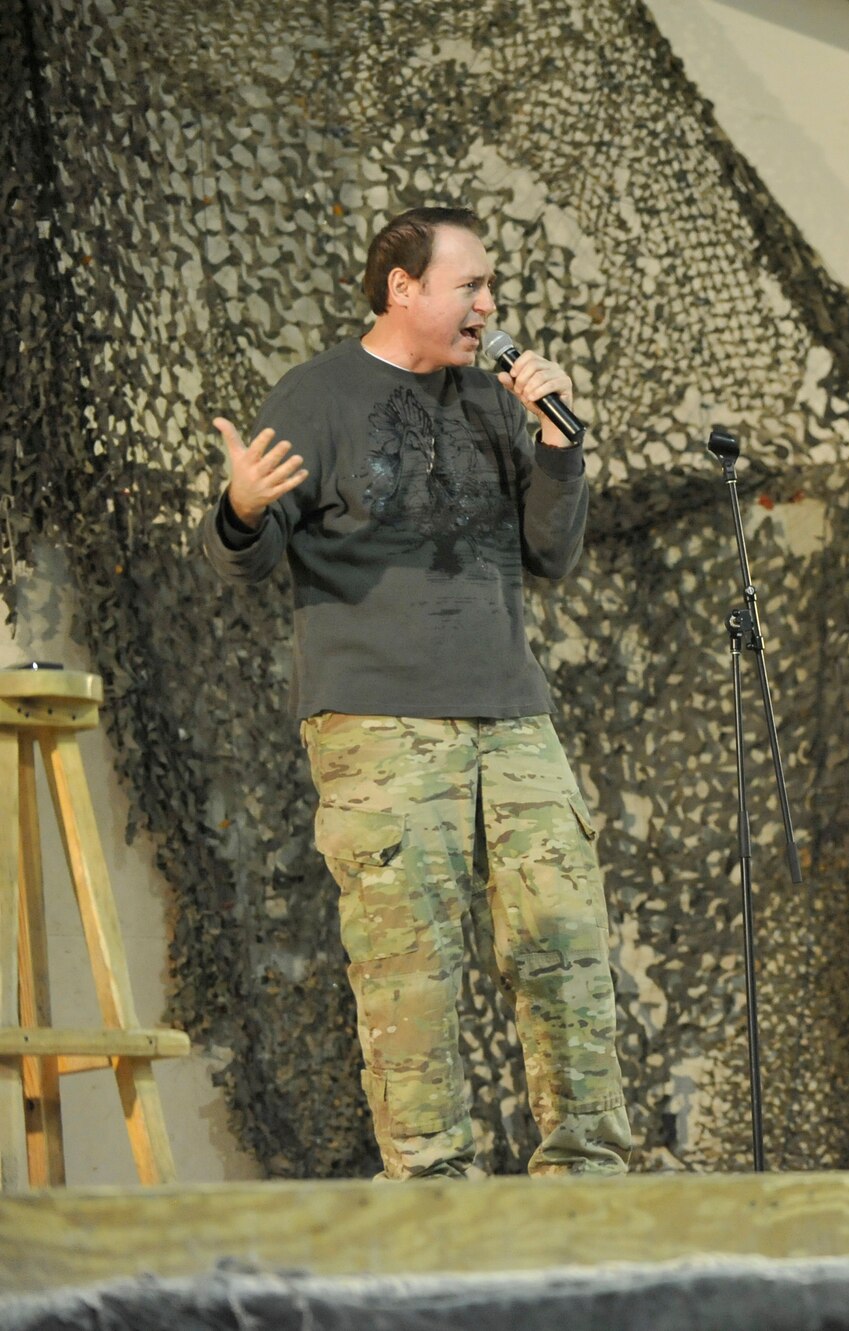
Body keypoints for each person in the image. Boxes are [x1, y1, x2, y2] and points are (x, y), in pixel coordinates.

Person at [201, 206, 632, 1179]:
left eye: (491, 287)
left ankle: (589, 1180)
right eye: (469, 285)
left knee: (565, 943)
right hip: (378, 721)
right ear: (404, 288)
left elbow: (550, 555)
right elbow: (243, 561)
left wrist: (560, 446)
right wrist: (239, 509)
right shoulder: (318, 397)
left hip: (512, 713)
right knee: (411, 967)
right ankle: (435, 1196)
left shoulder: (492, 401)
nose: (489, 304)